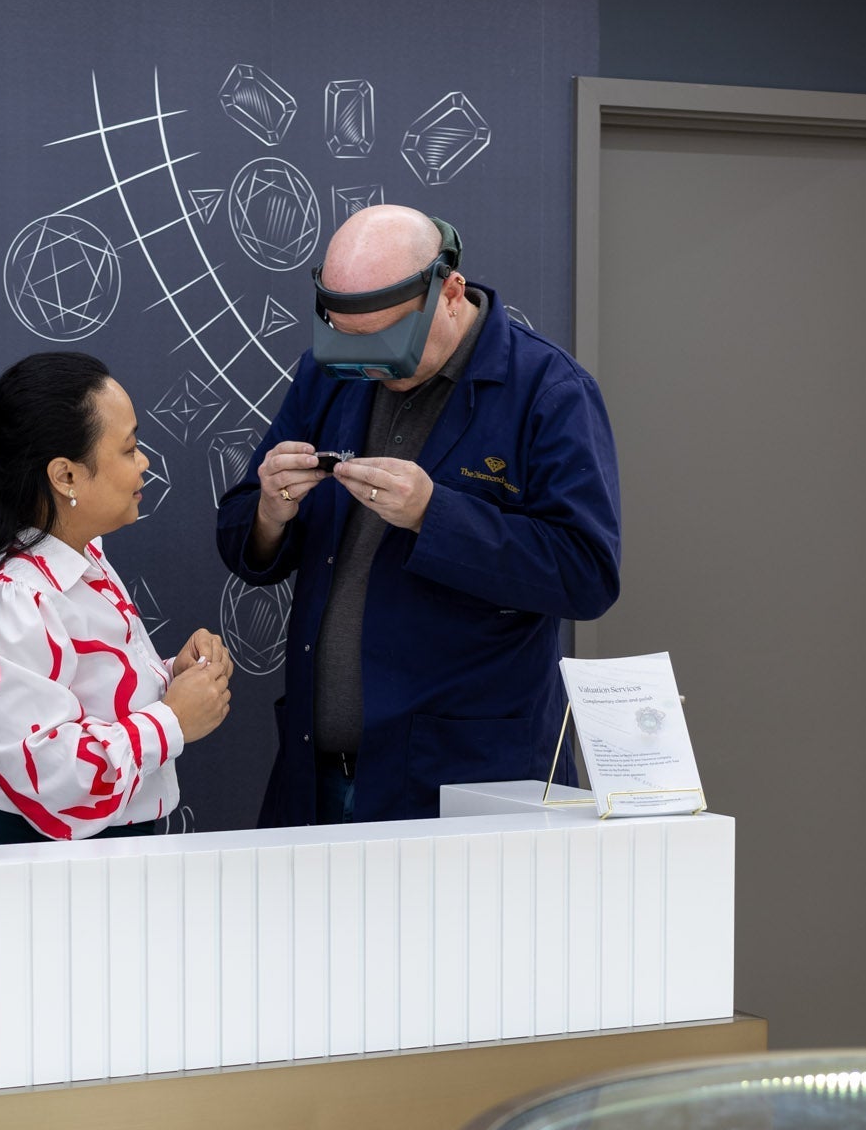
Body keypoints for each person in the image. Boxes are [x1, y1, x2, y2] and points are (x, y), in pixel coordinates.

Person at [215, 204, 621, 826]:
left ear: (450, 291)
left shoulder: (548, 390)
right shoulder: (328, 373)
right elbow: (246, 534)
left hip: (466, 782)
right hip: (316, 774)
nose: (366, 360)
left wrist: (435, 515)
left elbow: (586, 574)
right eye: (347, 338)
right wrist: (272, 509)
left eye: (386, 338)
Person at [0, 352, 232, 844]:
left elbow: (88, 696)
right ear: (66, 476)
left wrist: (171, 678)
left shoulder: (83, 562)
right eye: (129, 448)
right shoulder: (12, 601)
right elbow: (53, 775)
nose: (144, 462)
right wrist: (172, 720)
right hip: (42, 870)